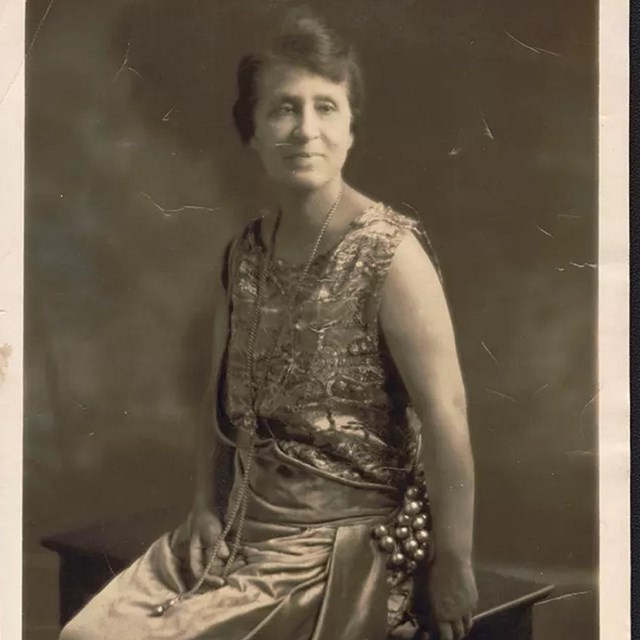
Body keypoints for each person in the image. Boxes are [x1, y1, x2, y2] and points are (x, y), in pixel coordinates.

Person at [60, 9, 477, 640]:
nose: (305, 130)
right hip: (237, 528)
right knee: (86, 634)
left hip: (337, 552)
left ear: (351, 127)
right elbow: (216, 397)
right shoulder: (245, 254)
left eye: (326, 107)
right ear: (251, 130)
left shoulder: (393, 255)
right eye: (284, 108)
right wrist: (203, 507)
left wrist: (455, 562)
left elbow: (447, 418)